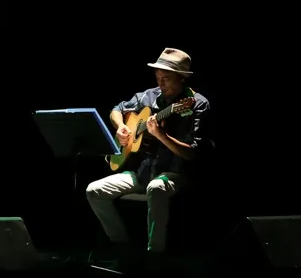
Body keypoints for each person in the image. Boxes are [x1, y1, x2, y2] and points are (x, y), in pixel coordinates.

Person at [86, 47, 211, 263]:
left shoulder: (196, 103)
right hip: (142, 172)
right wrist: (121, 127)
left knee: (156, 187)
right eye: (158, 76)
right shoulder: (147, 95)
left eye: (166, 78)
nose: (160, 83)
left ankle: (155, 254)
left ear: (182, 78)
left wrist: (161, 135)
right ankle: (121, 244)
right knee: (93, 190)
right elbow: (117, 109)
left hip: (175, 173)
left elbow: (193, 153)